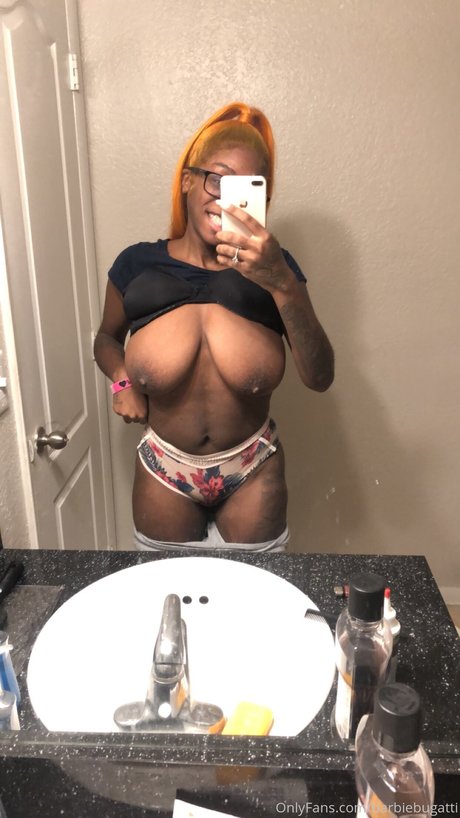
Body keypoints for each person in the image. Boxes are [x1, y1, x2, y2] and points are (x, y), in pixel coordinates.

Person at [94, 102, 334, 552]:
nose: (226, 200)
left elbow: (320, 376)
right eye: (217, 180)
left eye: (245, 188)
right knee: (166, 589)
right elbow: (105, 338)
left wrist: (282, 282)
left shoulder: (277, 270)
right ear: (187, 180)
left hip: (252, 467)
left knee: (254, 589)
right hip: (165, 467)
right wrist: (122, 381)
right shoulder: (136, 264)